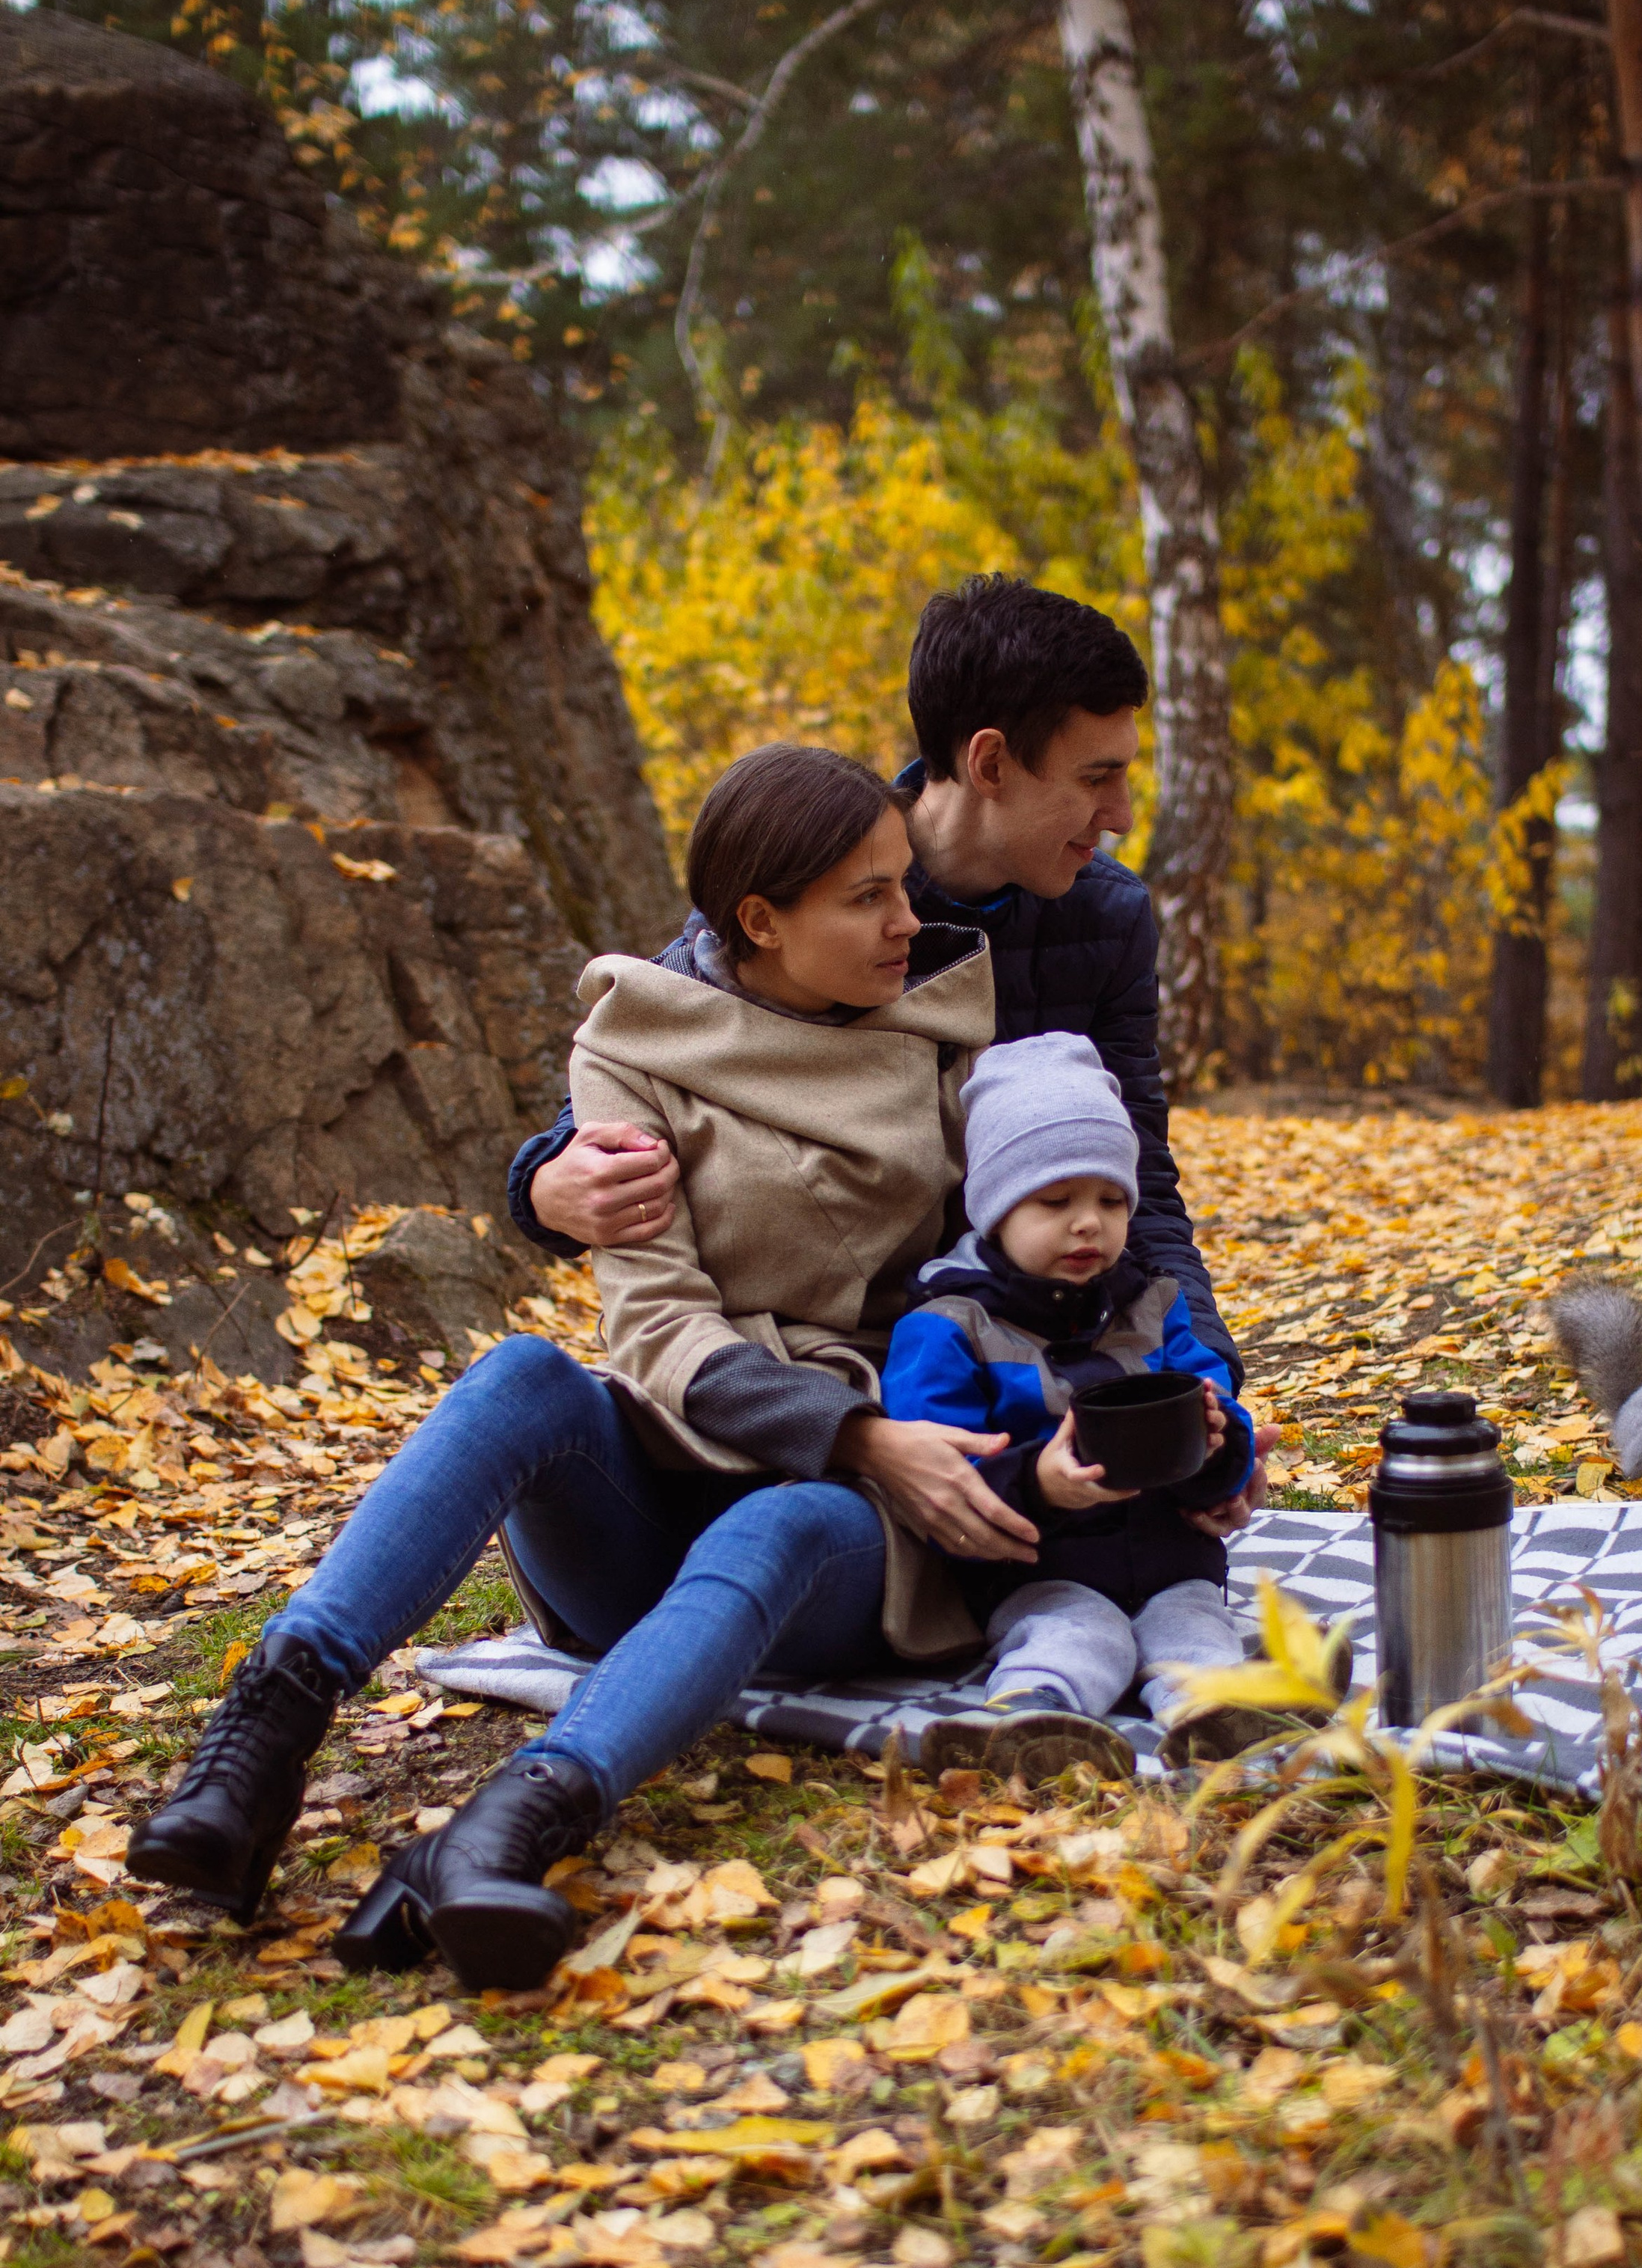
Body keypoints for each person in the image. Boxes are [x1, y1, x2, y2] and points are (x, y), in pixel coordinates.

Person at [129, 744, 1029, 1994]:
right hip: (680, 1492)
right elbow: (654, 1333)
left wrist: (914, 1436)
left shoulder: (948, 1036)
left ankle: (508, 1830)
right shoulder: (636, 1047)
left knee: (783, 1518)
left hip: (865, 1519)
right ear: (759, 922)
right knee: (520, 1377)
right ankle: (259, 1747)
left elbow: (1042, 1253)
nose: (908, 919)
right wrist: (851, 1430)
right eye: (867, 897)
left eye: (903, 884)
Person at [510, 578, 1266, 1544]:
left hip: (1038, 1348)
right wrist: (543, 1185)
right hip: (843, 1368)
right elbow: (674, 1050)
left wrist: (1205, 1391)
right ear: (990, 760)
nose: (1119, 812)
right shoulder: (820, 865)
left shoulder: (1107, 918)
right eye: (1094, 777)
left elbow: (1137, 1178)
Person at [881, 1034, 1270, 1784]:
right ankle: (1029, 1719)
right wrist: (1040, 1485)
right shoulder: (948, 1325)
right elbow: (939, 1481)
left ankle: (1218, 1717)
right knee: (1081, 1634)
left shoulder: (1154, 1303)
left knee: (1193, 1626)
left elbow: (1221, 1446)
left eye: (1110, 1199)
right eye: (1055, 1201)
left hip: (1167, 1554)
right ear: (993, 1211)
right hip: (1038, 1564)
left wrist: (1220, 1448)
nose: (1087, 1222)